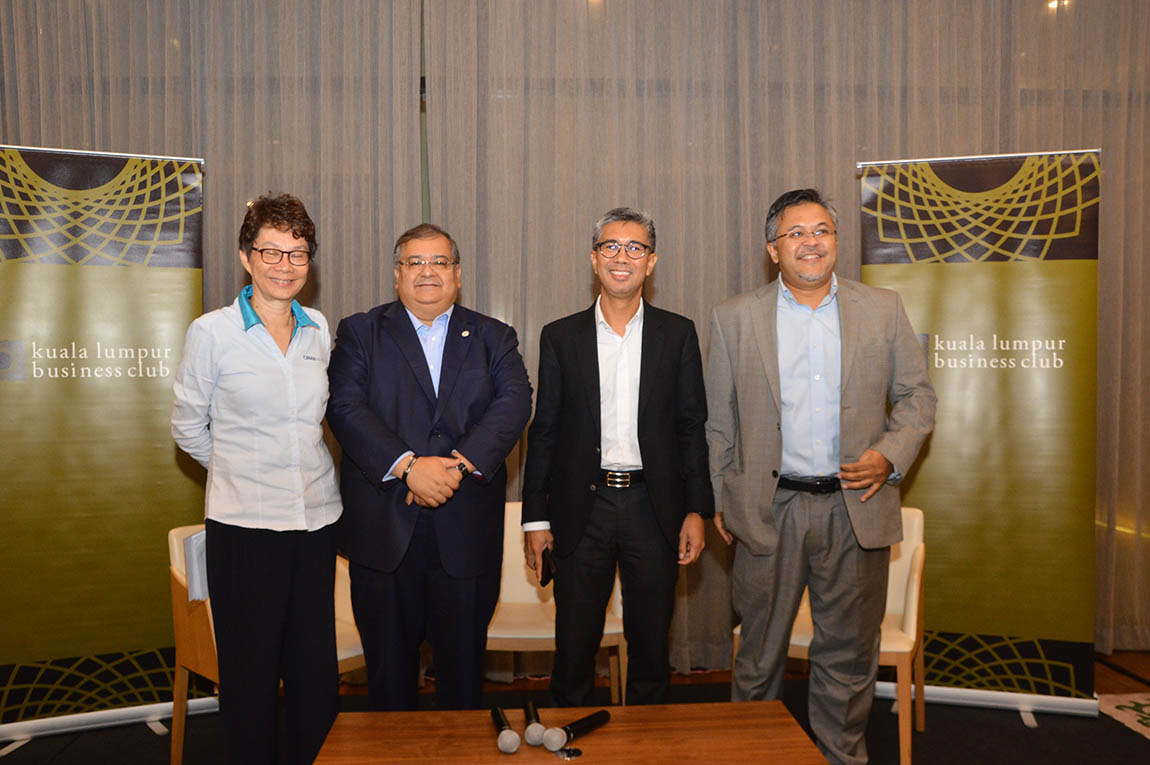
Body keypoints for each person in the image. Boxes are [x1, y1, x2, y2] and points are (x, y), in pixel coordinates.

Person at [705, 189, 936, 764]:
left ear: (835, 240)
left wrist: (890, 455)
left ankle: (841, 757)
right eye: (796, 233)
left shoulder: (883, 309)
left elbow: (917, 397)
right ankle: (753, 757)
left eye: (822, 231)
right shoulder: (734, 317)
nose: (811, 242)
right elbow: (718, 422)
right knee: (758, 658)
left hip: (855, 505)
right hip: (768, 510)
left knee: (848, 658)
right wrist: (719, 498)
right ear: (773, 249)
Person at [326, 223, 532, 710]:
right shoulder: (360, 332)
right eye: (414, 262)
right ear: (397, 275)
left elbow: (515, 402)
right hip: (384, 535)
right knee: (389, 684)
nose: (427, 271)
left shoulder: (493, 336)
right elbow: (346, 407)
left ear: (457, 274)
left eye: (439, 262)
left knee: (462, 684)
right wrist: (408, 467)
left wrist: (454, 469)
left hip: (466, 536)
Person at [171, 193, 342, 764]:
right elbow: (188, 428)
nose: (284, 266)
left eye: (298, 253)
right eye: (271, 252)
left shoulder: (318, 328)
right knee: (249, 680)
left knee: (314, 675)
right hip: (244, 529)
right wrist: (239, 470)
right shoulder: (211, 333)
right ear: (246, 256)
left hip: (316, 523)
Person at [522, 207, 713, 706]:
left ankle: (646, 743)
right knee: (573, 650)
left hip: (655, 508)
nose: (621, 257)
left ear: (651, 261)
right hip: (581, 509)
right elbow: (545, 431)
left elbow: (691, 426)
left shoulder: (678, 334)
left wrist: (697, 509)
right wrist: (535, 518)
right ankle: (570, 739)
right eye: (610, 246)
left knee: (651, 650)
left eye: (634, 248)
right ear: (594, 259)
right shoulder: (560, 336)